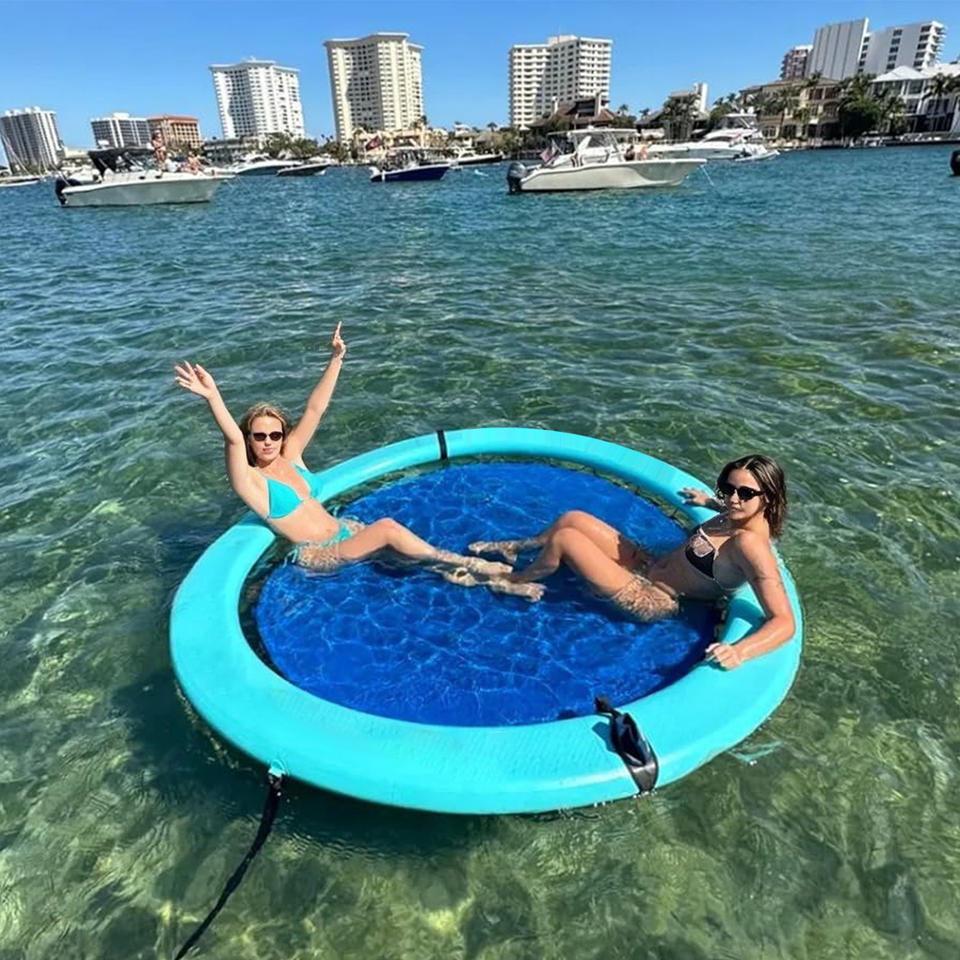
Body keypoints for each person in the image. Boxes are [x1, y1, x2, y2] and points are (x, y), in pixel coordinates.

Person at [174, 324, 537, 597]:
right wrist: (213, 397)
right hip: (319, 555)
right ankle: (471, 564)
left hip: (345, 532)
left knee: (407, 557)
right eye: (259, 436)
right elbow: (231, 438)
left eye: (275, 434)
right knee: (389, 529)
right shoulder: (251, 481)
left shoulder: (291, 455)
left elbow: (315, 409)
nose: (268, 442)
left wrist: (336, 359)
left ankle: (480, 580)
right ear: (250, 439)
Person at [471, 455, 795, 669]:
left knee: (566, 540)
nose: (733, 499)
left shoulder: (750, 545)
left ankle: (513, 580)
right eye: (727, 489)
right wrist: (708, 501)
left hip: (654, 597)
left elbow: (784, 622)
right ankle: (518, 547)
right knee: (574, 519)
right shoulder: (733, 514)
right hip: (648, 565)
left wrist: (738, 651)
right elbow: (729, 506)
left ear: (768, 497)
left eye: (745, 493)